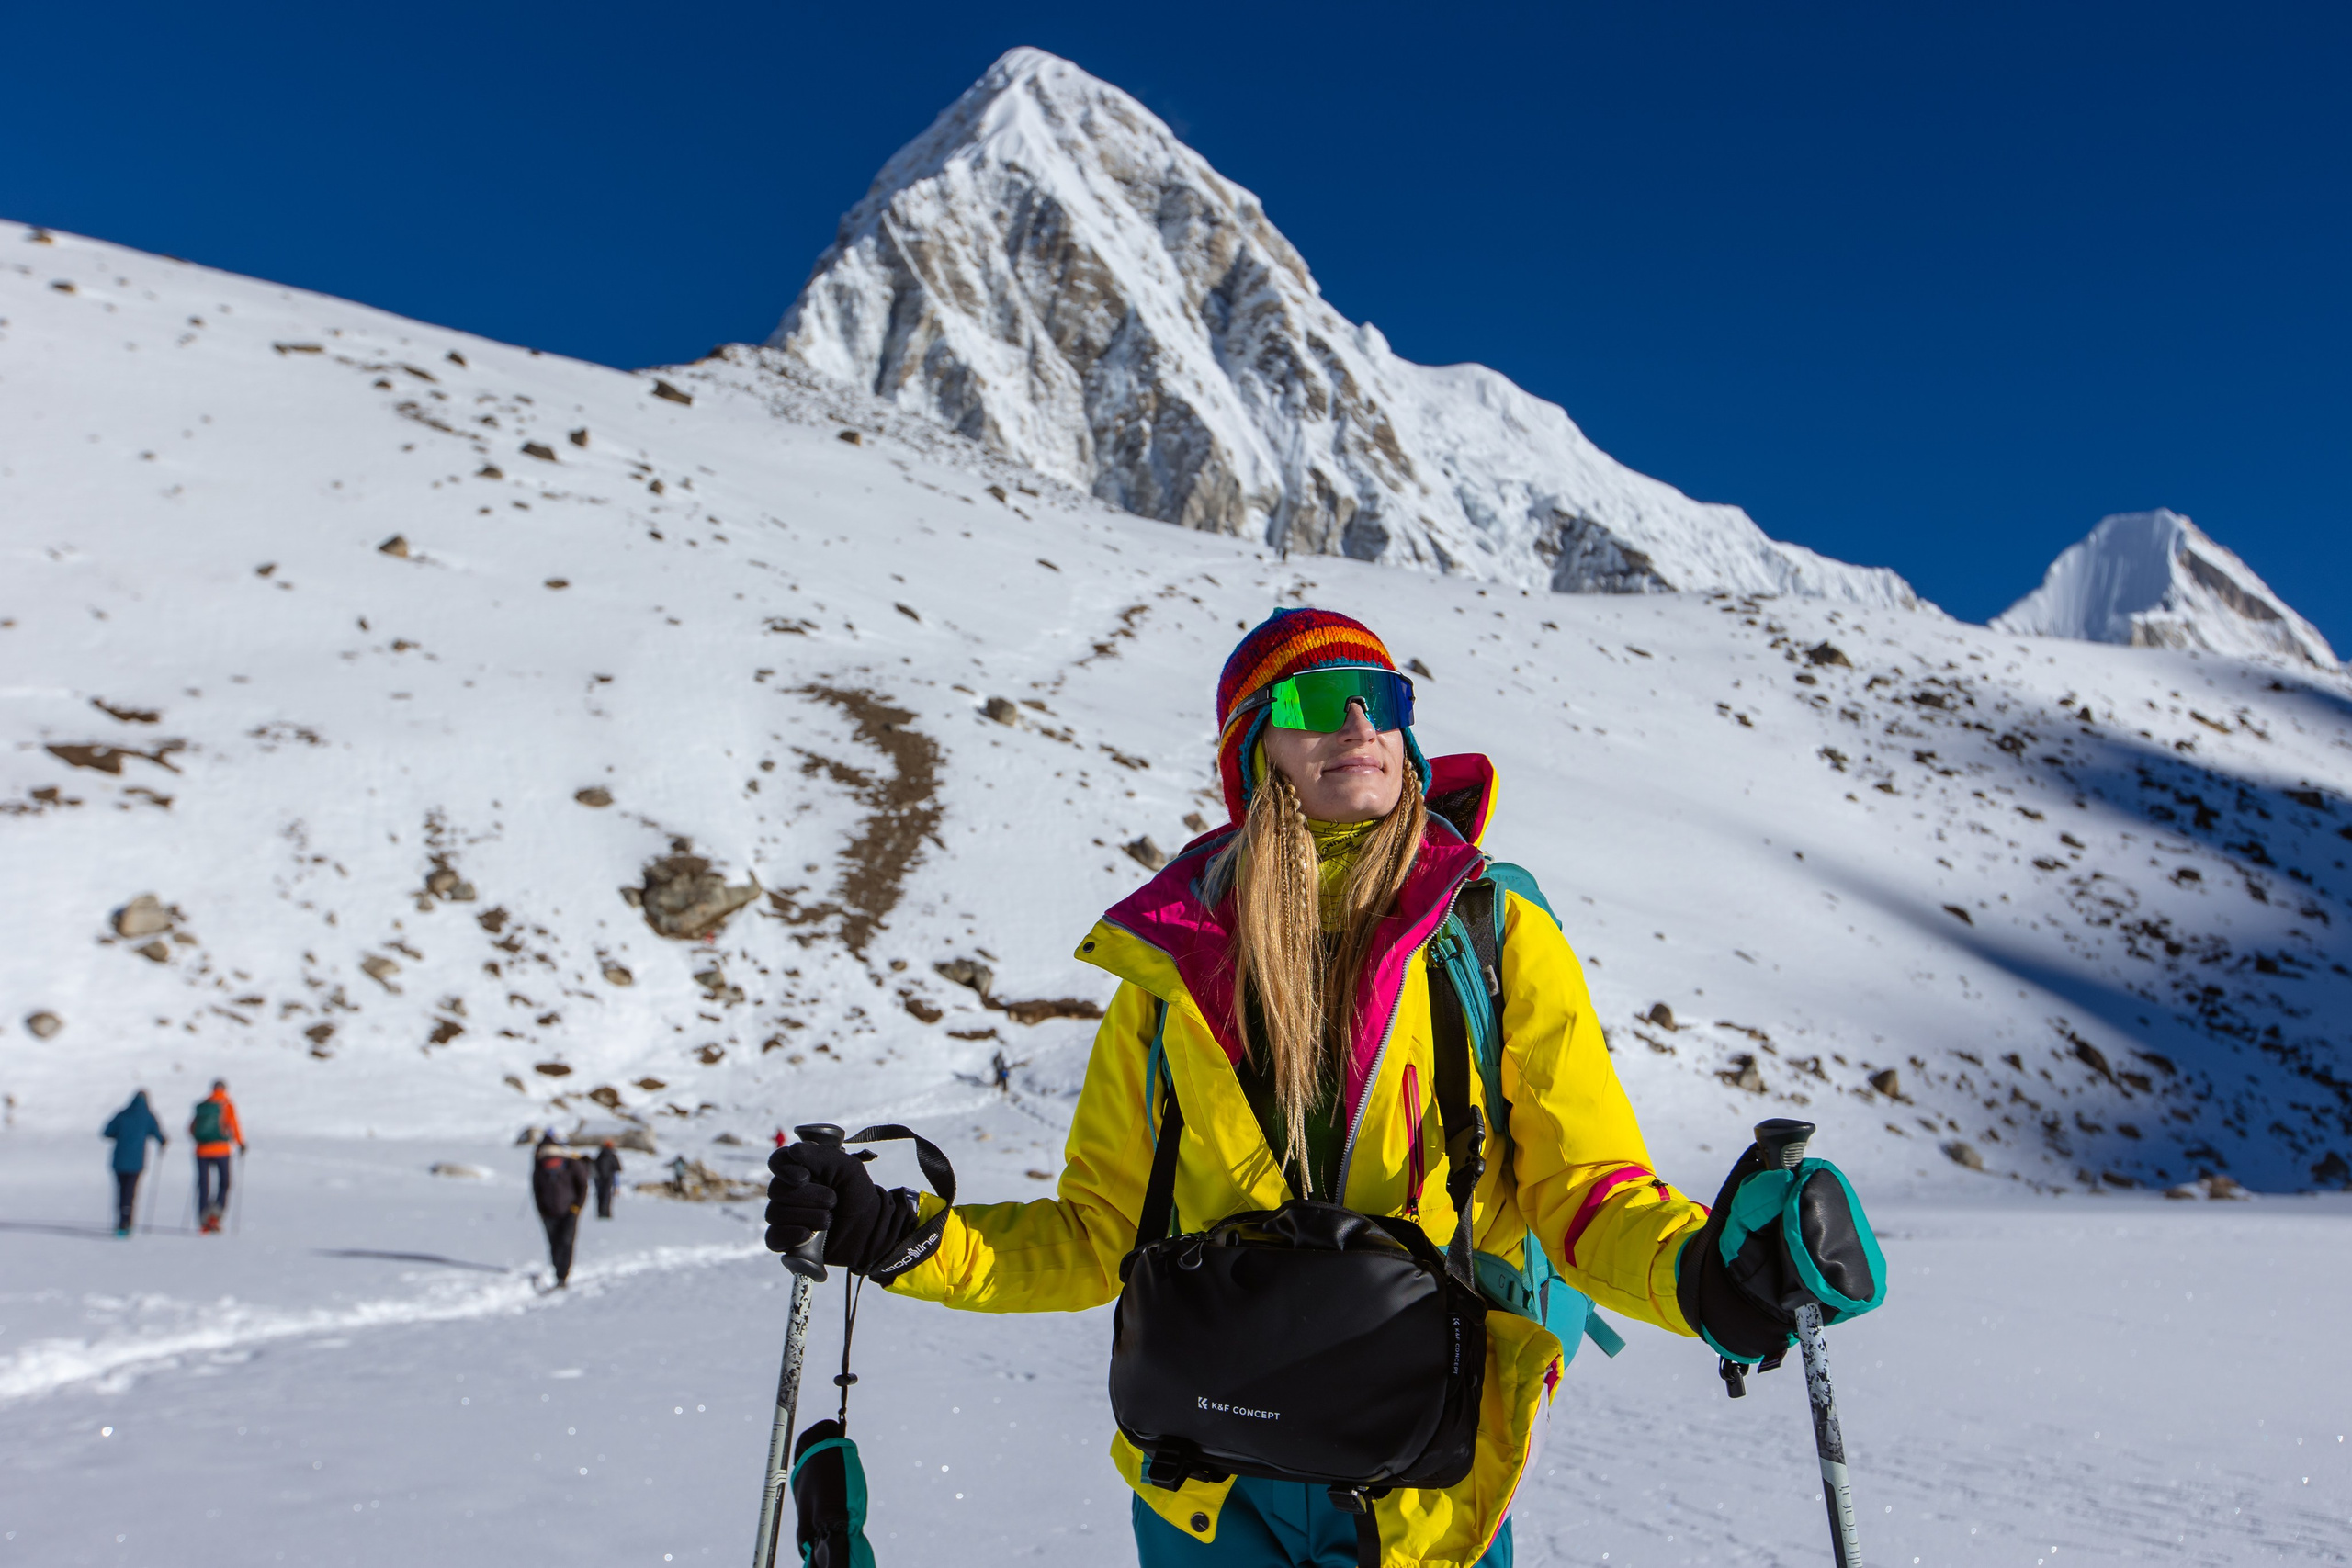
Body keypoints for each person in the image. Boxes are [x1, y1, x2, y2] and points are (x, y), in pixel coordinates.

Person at [763, 608, 1886, 1567]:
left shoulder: (1491, 932)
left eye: (1382, 699)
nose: (1358, 723)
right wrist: (900, 1237)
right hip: (1204, 1483)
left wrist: (1706, 1279)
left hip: (1419, 1477)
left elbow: (1583, 1190)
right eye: (1318, 702)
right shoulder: (1169, 972)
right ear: (1256, 752)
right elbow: (1099, 1230)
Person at [102, 1090, 166, 1236]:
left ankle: (120, 1221)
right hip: (136, 1162)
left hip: (119, 1161)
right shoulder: (148, 1117)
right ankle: (127, 1221)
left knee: (120, 1191)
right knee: (130, 1192)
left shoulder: (122, 1114)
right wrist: (163, 1142)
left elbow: (106, 1132)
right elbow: (158, 1134)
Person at [188, 1079, 246, 1235]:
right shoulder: (226, 1104)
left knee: (203, 1185)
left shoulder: (203, 1105)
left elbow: (191, 1129)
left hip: (201, 1151)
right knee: (224, 1183)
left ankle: (203, 1219)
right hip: (221, 1150)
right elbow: (233, 1125)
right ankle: (215, 1214)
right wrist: (240, 1143)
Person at [532, 1133, 590, 1285]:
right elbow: (537, 1190)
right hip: (549, 1212)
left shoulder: (571, 1164)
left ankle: (562, 1274)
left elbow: (583, 1186)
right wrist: (542, 1211)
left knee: (565, 1241)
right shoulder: (539, 1167)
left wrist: (577, 1207)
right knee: (555, 1243)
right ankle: (559, 1273)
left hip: (568, 1212)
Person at [591, 1138, 622, 1220]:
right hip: (609, 1179)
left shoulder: (600, 1156)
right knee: (607, 1196)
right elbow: (616, 1171)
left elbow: (594, 1169)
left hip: (599, 1180)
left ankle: (600, 1213)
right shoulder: (612, 1156)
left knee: (599, 1196)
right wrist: (617, 1185)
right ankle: (606, 1213)